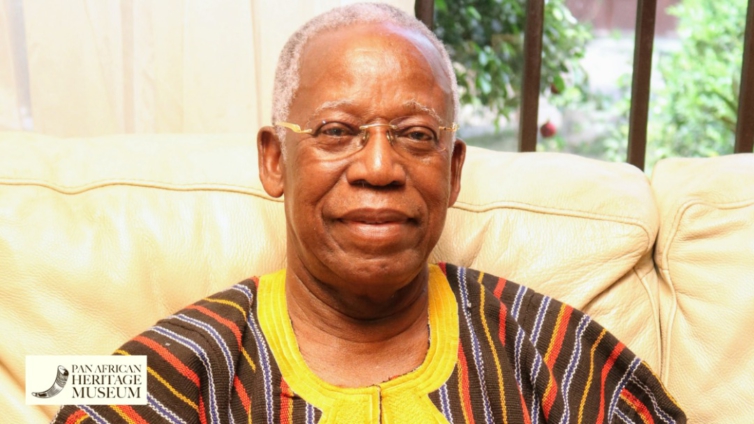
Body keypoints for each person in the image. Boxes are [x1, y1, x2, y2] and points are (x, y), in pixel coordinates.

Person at [53, 3, 685, 423]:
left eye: (416, 135)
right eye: (335, 131)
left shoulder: (545, 349)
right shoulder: (182, 363)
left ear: (453, 169)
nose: (379, 167)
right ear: (275, 160)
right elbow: (63, 390)